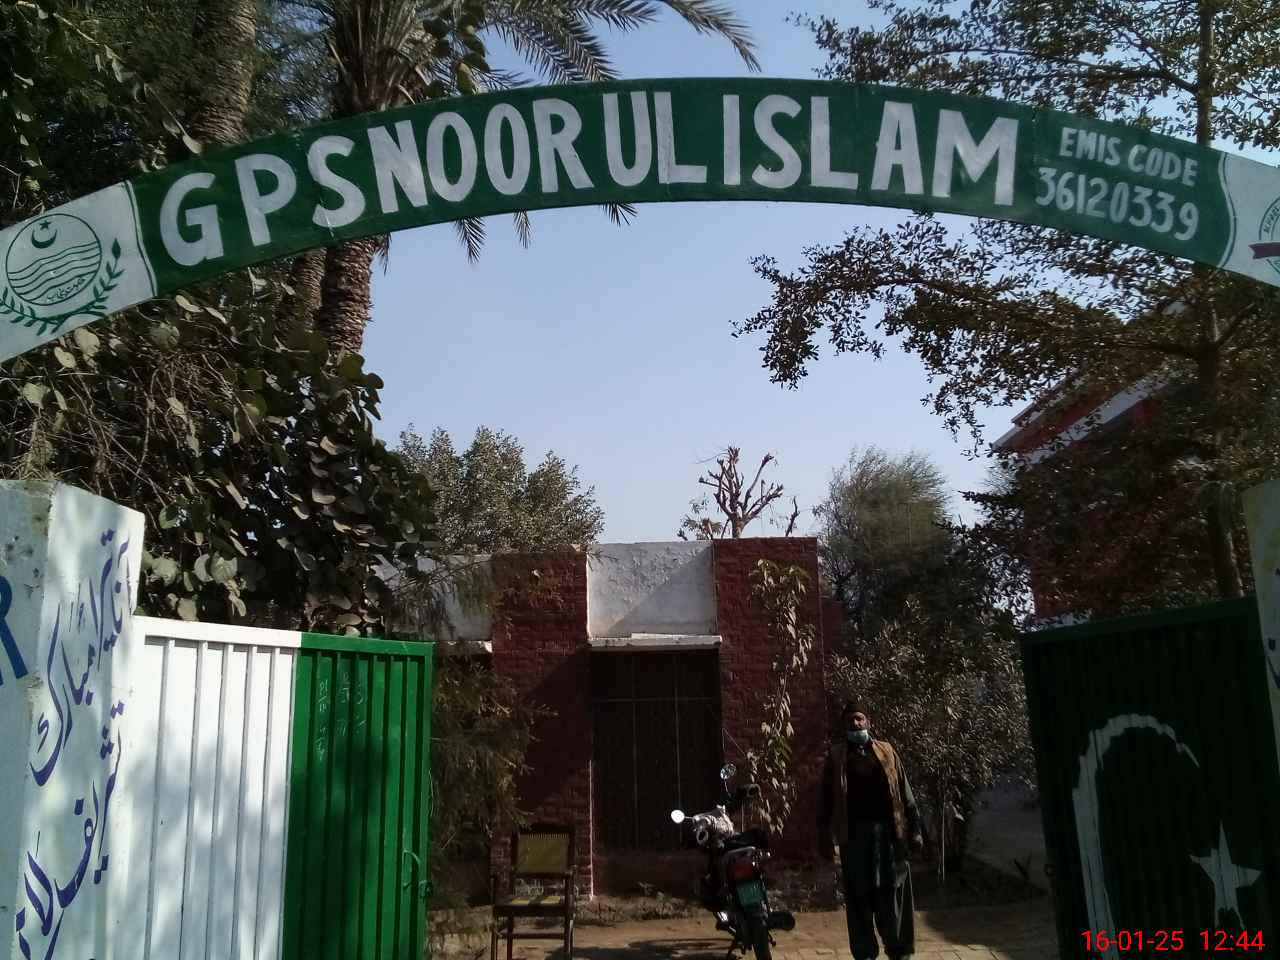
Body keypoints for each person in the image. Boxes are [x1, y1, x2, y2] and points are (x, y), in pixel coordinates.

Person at [817, 701, 924, 960]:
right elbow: (825, 802)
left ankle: (899, 951)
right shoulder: (836, 757)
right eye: (851, 720)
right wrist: (824, 839)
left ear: (868, 722)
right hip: (854, 838)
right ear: (844, 726)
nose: (856, 724)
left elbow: (905, 792)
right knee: (859, 900)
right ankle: (865, 953)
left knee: (893, 898)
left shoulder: (887, 751)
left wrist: (915, 830)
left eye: (860, 719)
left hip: (889, 837)